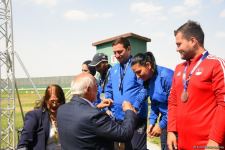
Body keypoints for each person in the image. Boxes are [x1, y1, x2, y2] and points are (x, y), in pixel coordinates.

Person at [167, 20, 225, 150]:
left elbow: (224, 103)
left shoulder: (216, 64)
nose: (177, 49)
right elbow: (173, 102)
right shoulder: (179, 68)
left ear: (193, 41)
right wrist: (171, 130)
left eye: (179, 44)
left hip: (207, 145)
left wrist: (215, 140)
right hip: (181, 143)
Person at [57, 72, 138, 150]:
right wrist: (129, 111)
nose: (98, 89)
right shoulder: (94, 115)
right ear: (88, 89)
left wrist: (96, 107)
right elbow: (124, 134)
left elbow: (82, 119)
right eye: (96, 85)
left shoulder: (62, 110)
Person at [104, 37, 148, 150]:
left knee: (137, 148)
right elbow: (108, 88)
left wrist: (135, 107)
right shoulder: (113, 69)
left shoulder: (137, 67)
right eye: (115, 53)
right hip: (118, 117)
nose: (117, 55)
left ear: (129, 49)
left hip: (136, 117)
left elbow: (144, 88)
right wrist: (108, 99)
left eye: (120, 51)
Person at [131, 51, 174, 150]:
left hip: (175, 122)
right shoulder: (148, 79)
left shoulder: (167, 77)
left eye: (139, 72)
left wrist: (161, 125)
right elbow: (154, 102)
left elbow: (175, 106)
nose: (137, 76)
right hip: (165, 120)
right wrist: (152, 122)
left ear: (148, 65)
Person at [17, 84, 66, 150]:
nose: (55, 104)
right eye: (52, 101)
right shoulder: (34, 116)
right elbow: (23, 145)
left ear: (62, 101)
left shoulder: (66, 116)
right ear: (46, 101)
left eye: (58, 101)